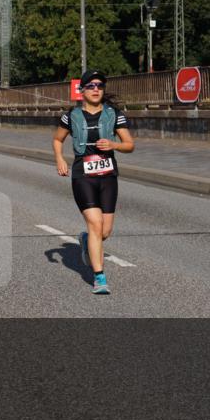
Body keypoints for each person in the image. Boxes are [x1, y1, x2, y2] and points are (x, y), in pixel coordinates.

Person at [52, 70, 134, 295]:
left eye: (100, 85)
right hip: (83, 175)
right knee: (96, 223)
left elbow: (129, 144)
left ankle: (87, 240)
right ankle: (99, 277)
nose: (96, 89)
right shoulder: (72, 116)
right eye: (91, 85)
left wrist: (114, 145)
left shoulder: (114, 114)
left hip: (108, 176)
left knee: (105, 231)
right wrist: (60, 159)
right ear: (82, 90)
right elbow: (58, 139)